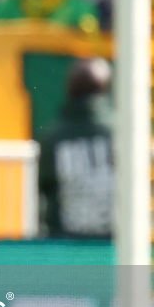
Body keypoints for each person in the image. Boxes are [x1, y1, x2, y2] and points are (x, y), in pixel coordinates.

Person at [37, 57, 114, 239]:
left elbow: (44, 189)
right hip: (116, 248)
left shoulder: (53, 138)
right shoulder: (124, 135)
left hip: (67, 250)